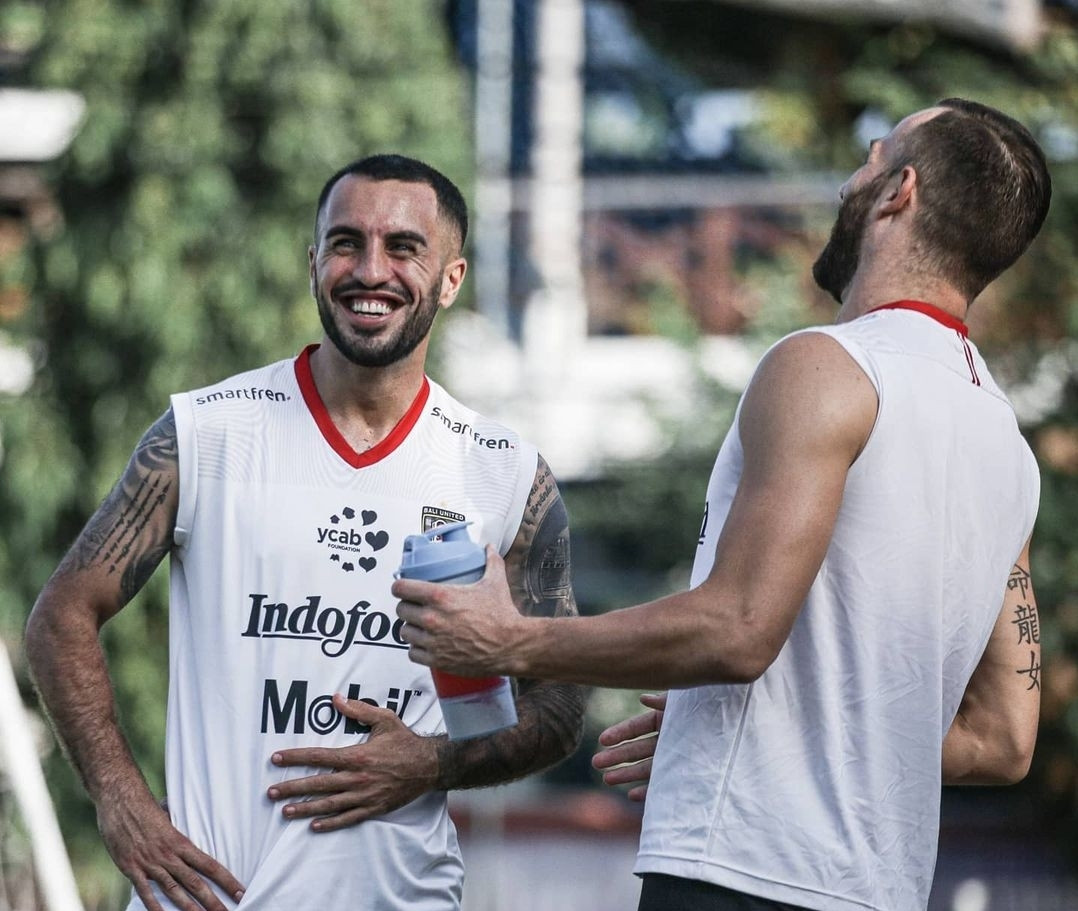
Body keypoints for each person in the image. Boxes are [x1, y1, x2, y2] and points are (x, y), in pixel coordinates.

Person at [392, 98, 1051, 911]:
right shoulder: (1006, 447)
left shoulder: (825, 366)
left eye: (871, 155)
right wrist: (763, 731)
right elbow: (1003, 739)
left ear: (898, 192)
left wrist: (511, 638)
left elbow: (738, 629)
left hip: (743, 877)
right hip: (879, 891)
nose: (853, 176)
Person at [25, 154, 585, 911]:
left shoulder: (506, 473)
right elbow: (60, 616)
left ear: (452, 278)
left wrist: (429, 761)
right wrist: (120, 802)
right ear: (313, 260)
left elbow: (557, 709)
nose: (371, 269)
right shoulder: (206, 433)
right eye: (347, 243)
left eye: (404, 248)